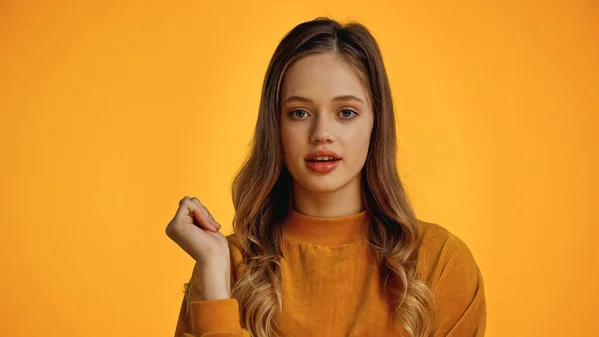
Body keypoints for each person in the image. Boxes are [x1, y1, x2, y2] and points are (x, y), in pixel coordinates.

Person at [165, 17, 486, 337]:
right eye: (299, 113)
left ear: (376, 122)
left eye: (346, 112)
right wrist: (214, 273)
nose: (321, 134)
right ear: (275, 126)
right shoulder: (224, 269)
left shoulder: (441, 263)